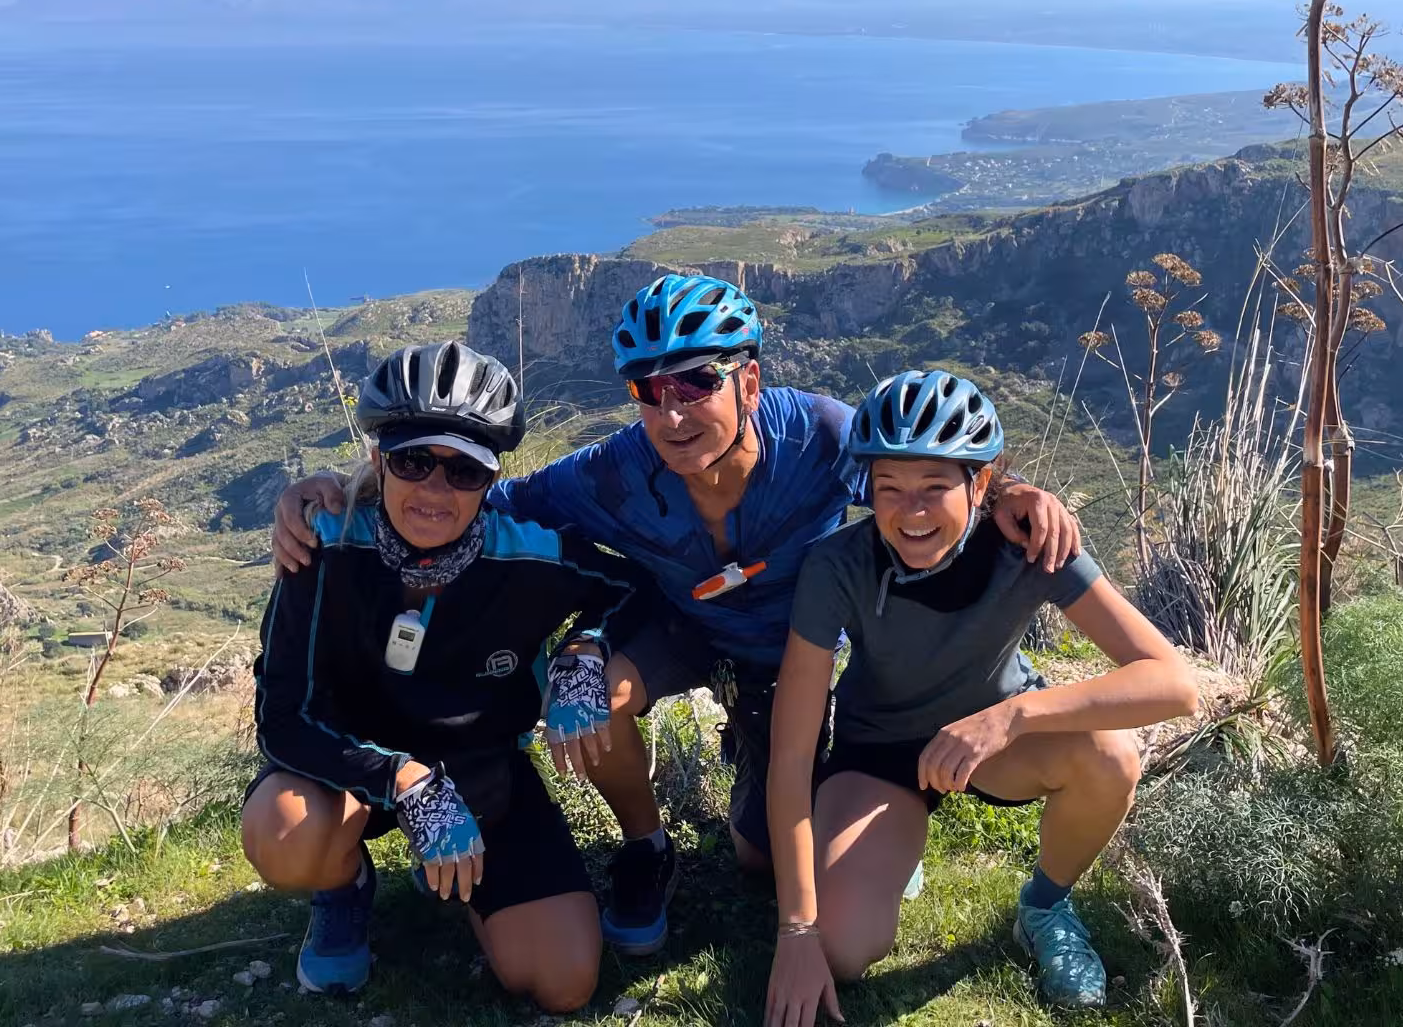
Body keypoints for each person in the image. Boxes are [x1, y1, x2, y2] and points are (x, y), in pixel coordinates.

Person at [271, 275, 1083, 957]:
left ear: (749, 381)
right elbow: (472, 502)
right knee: (595, 698)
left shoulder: (825, 437)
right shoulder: (610, 474)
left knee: (759, 859)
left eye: (697, 382)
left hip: (786, 655)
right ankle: (644, 848)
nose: (674, 413)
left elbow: (922, 471)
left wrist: (1009, 492)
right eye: (650, 392)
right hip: (678, 631)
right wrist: (339, 492)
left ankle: (823, 823)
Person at [764, 369, 1198, 1022]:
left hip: (997, 743)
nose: (910, 512)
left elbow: (1173, 683)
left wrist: (1013, 717)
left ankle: (1045, 907)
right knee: (840, 948)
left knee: (1110, 756)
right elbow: (792, 755)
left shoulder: (1033, 546)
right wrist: (796, 931)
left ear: (982, 485)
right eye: (889, 488)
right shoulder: (836, 566)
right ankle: (892, 850)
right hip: (879, 759)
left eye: (935, 487)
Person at [242, 341, 638, 1010]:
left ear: (490, 481)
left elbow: (630, 589)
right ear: (379, 461)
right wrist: (405, 781)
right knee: (285, 834)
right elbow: (284, 719)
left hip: (483, 772)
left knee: (563, 981)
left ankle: (458, 875)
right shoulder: (326, 548)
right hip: (350, 777)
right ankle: (343, 886)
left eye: (464, 472)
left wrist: (585, 653)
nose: (434, 488)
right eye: (414, 461)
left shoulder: (530, 555)